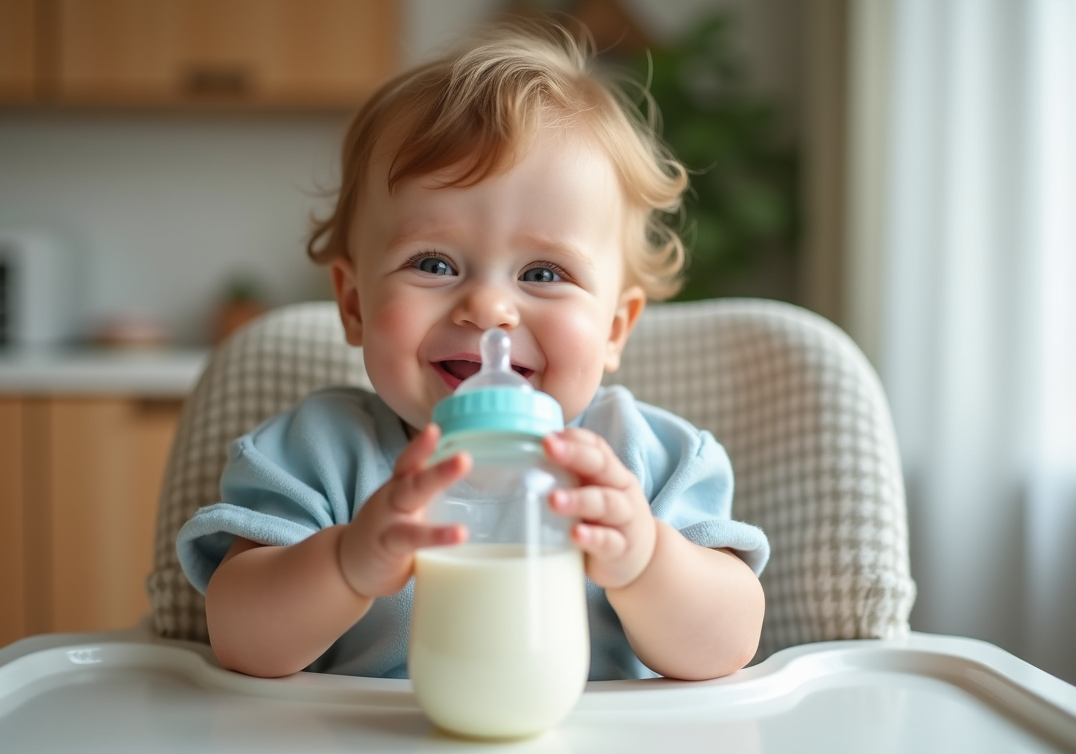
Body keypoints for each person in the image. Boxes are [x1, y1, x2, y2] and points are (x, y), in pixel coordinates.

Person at [176, 21, 768, 682]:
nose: (488, 309)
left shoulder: (644, 463)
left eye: (543, 273)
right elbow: (240, 638)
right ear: (354, 304)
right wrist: (346, 563)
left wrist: (647, 559)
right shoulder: (319, 454)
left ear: (614, 329)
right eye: (433, 263)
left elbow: (729, 644)